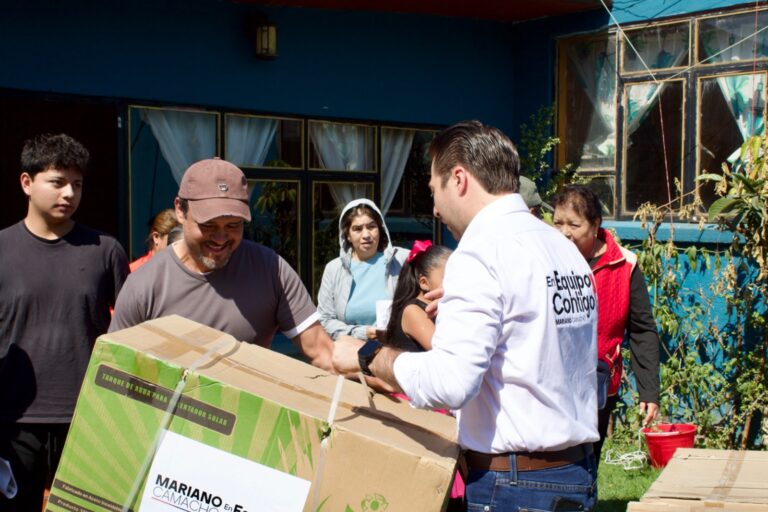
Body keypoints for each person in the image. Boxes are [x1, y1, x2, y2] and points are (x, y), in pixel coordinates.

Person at [333, 121, 599, 511]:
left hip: (514, 485)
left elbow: (450, 383)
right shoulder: (561, 249)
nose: (436, 209)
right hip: (574, 473)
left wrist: (369, 354)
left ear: (458, 179)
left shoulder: (480, 252)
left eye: (434, 191)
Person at [0, 133, 129, 511]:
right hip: (13, 419)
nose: (69, 193)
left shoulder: (105, 249)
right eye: (58, 182)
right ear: (27, 183)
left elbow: (133, 331)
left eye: (77, 184)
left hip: (89, 414)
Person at [110, 158, 334, 372]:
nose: (220, 238)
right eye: (208, 225)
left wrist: (365, 361)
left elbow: (323, 353)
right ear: (180, 210)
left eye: (233, 225)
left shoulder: (271, 270)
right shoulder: (143, 285)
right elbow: (114, 370)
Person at [552, 184, 660, 464]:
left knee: (590, 457)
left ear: (596, 224)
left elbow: (641, 330)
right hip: (550, 380)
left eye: (574, 225)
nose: (564, 232)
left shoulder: (625, 265)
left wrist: (648, 390)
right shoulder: (544, 260)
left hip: (599, 382)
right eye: (557, 223)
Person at [317, 199, 408, 341]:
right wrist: (363, 332)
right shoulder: (334, 269)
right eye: (357, 229)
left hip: (394, 349)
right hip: (350, 351)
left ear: (381, 228)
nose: (366, 235)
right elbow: (325, 320)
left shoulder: (400, 260)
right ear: (347, 235)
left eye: (371, 227)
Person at [384, 240, 452, 352]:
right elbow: (445, 353)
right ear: (424, 283)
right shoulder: (413, 311)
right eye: (449, 277)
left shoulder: (442, 306)